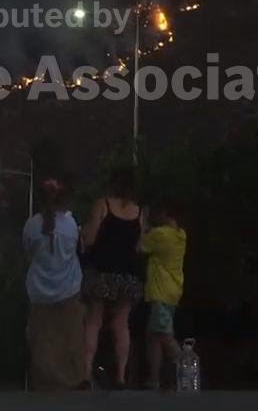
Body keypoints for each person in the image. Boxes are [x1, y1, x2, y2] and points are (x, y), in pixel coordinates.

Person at [81, 163, 144, 388]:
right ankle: (120, 375)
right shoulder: (139, 212)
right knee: (121, 323)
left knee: (94, 321)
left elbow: (89, 238)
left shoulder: (103, 205)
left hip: (101, 271)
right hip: (127, 275)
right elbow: (140, 246)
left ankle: (87, 373)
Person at [22, 178, 87, 391]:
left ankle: (46, 382)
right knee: (71, 337)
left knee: (43, 341)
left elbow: (27, 252)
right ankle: (75, 379)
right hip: (68, 288)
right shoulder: (70, 225)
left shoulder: (32, 225)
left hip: (40, 291)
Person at [140, 202, 187, 390]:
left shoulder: (160, 234)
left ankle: (187, 370)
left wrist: (143, 225)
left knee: (164, 335)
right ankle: (154, 379)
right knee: (153, 336)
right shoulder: (181, 235)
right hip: (173, 290)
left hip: (160, 291)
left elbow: (140, 247)